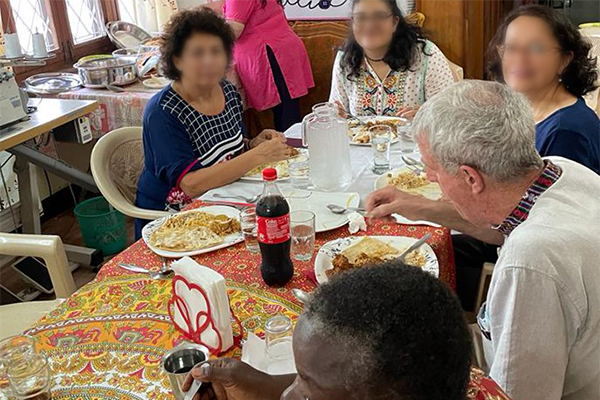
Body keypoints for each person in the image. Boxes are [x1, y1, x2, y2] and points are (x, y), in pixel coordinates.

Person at [367, 80, 600, 400]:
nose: (429, 178)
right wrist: (417, 205)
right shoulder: (558, 169)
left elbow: (513, 394)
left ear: (470, 178)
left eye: (431, 169)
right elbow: (502, 225)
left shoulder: (532, 260)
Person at [182, 263, 514, 400]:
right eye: (300, 377)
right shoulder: (440, 376)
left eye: (308, 390)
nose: (288, 396)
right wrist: (264, 386)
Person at [135, 9, 292, 238]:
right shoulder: (163, 112)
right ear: (177, 59)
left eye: (216, 51)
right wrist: (259, 156)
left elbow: (229, 152)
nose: (209, 61)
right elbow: (191, 184)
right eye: (197, 53)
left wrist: (253, 145)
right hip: (174, 223)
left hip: (225, 201)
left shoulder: (227, 90)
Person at [488, 4, 600, 174]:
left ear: (565, 59)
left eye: (536, 48)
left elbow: (550, 200)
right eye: (511, 48)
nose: (520, 58)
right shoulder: (522, 111)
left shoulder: (566, 132)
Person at [329, 0, 453, 119]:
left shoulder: (426, 55)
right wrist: (338, 117)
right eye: (361, 17)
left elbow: (450, 113)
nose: (369, 25)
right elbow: (338, 112)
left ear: (395, 22)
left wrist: (426, 117)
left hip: (416, 139)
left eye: (379, 16)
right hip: (358, 141)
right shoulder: (345, 59)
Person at [208, 0, 314, 132]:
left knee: (286, 122)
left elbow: (234, 30)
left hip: (270, 55)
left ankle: (291, 150)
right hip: (281, 50)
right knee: (289, 115)